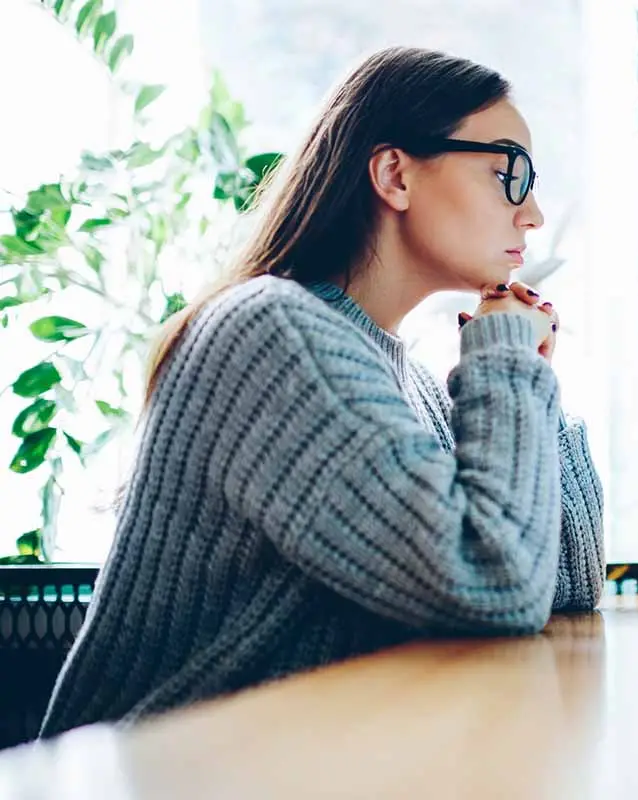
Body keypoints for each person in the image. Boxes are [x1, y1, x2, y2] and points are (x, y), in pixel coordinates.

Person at [39, 46, 605, 737]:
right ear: (395, 174)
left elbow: (568, 581)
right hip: (165, 777)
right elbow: (496, 585)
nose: (534, 214)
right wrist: (506, 365)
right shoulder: (271, 335)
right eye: (507, 172)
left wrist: (529, 369)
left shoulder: (411, 385)